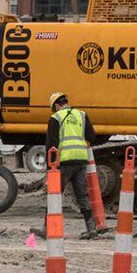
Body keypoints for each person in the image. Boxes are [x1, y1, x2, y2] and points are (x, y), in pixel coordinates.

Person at [47, 92, 105, 238]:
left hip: (64, 161)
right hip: (80, 159)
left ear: (56, 105)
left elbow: (51, 143)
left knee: (55, 194)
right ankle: (91, 228)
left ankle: (47, 228)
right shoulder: (82, 115)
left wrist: (50, 166)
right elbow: (91, 137)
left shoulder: (55, 118)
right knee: (82, 196)